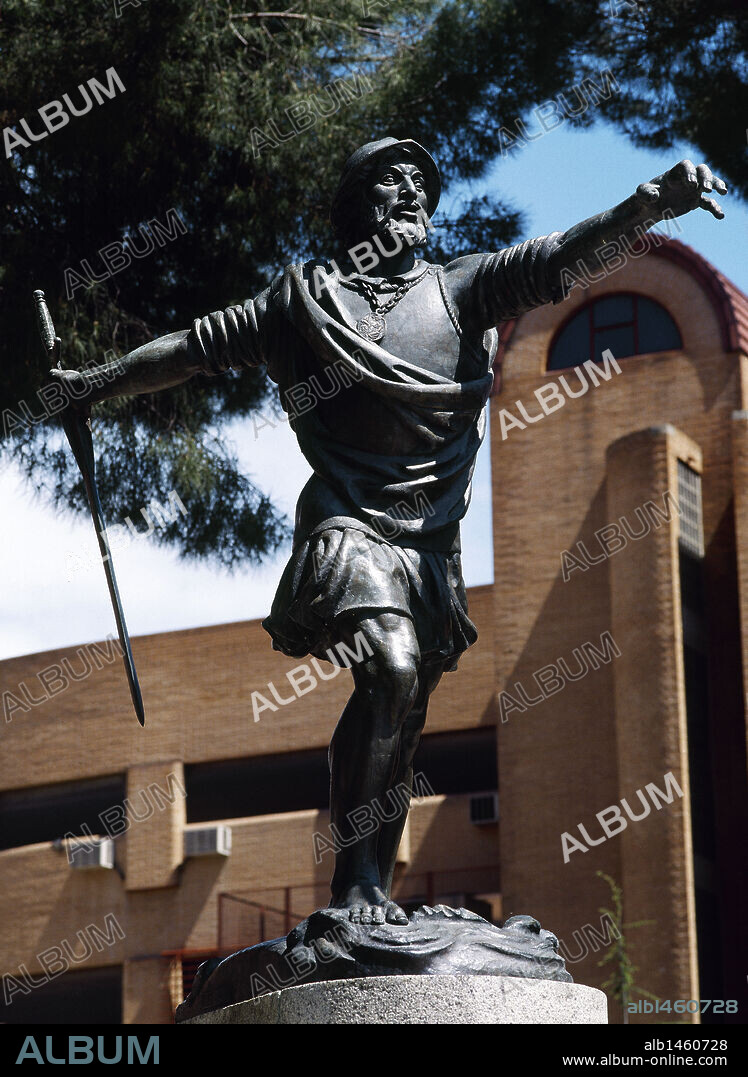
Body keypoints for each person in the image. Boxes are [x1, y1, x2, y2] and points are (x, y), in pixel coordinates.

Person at [51, 137, 725, 924]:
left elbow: (556, 256)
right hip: (347, 523)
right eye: (390, 180)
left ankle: (365, 882)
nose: (411, 194)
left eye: (421, 184)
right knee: (392, 669)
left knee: (402, 718)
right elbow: (194, 349)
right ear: (354, 205)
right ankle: (357, 887)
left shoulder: (462, 287)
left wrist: (645, 205)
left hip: (430, 542)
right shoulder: (303, 301)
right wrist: (95, 384)